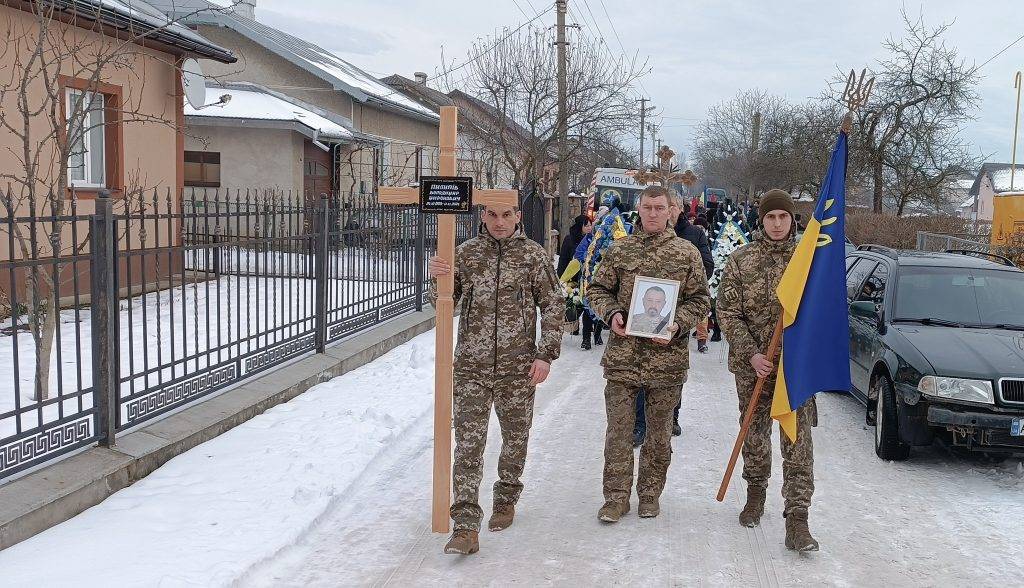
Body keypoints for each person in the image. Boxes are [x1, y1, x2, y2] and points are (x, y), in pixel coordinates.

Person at [427, 203, 564, 555]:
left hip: (517, 368)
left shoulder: (533, 256)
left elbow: (552, 304)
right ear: (482, 217)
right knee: (469, 445)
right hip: (472, 366)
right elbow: (443, 302)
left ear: (518, 215)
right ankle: (465, 525)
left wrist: (545, 354)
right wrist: (438, 277)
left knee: (515, 438)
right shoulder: (466, 254)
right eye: (492, 215)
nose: (499, 223)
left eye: (507, 215)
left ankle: (506, 497)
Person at [586, 185, 711, 522]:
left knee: (659, 435)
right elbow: (596, 288)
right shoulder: (620, 250)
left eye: (660, 207)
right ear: (638, 209)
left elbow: (700, 299)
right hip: (623, 359)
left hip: (666, 361)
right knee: (619, 433)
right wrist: (612, 314)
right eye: (648, 207)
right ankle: (615, 497)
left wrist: (678, 325)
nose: (653, 213)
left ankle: (650, 494)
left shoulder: (686, 254)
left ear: (671, 210)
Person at [716, 189, 819, 552]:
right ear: (761, 220)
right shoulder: (742, 260)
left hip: (795, 370)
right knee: (754, 433)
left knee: (797, 440)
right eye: (770, 217)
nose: (777, 223)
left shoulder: (809, 262)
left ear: (793, 220)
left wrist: (805, 356)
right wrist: (751, 354)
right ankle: (755, 492)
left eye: (783, 217)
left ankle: (798, 518)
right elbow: (727, 312)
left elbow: (821, 314)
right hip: (754, 368)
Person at [558, 215, 595, 347]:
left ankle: (586, 339)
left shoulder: (593, 240)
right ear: (580, 226)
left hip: (587, 279)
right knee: (575, 305)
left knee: (587, 307)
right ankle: (574, 326)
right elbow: (563, 259)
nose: (589, 228)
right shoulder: (570, 239)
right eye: (586, 225)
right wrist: (562, 278)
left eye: (591, 225)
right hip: (573, 279)